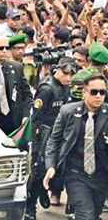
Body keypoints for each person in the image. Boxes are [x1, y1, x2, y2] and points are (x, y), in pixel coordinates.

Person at [44, 74, 108, 220]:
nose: (98, 96)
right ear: (84, 92)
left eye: (102, 92)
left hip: (102, 175)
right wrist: (51, 166)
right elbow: (54, 140)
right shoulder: (67, 112)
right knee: (85, 215)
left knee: (95, 214)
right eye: (94, 92)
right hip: (75, 174)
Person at [24, 57, 76, 219]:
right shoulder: (47, 89)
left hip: (62, 134)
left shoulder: (67, 87)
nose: (68, 78)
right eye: (66, 73)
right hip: (44, 135)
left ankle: (44, 191)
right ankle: (30, 208)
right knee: (39, 171)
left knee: (61, 171)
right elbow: (36, 118)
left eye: (71, 75)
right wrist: (37, 142)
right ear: (57, 70)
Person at [0, 37, 31, 135]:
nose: (4, 51)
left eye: (7, 48)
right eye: (0, 48)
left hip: (14, 118)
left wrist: (25, 115)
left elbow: (26, 94)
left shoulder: (17, 67)